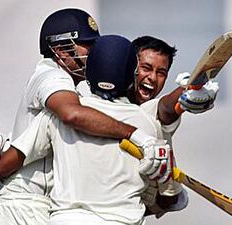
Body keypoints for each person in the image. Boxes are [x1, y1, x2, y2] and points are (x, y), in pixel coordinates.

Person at [0, 9, 162, 225]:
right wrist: (135, 134)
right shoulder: (52, 76)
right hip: (22, 205)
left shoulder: (78, 88)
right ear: (62, 50)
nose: (94, 52)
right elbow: (72, 115)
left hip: (40, 205)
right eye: (88, 44)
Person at [11, 35, 184, 225]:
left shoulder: (57, 114)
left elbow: (7, 164)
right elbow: (169, 196)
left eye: (161, 72)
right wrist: (165, 197)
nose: (152, 77)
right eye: (146, 68)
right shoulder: (148, 125)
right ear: (132, 71)